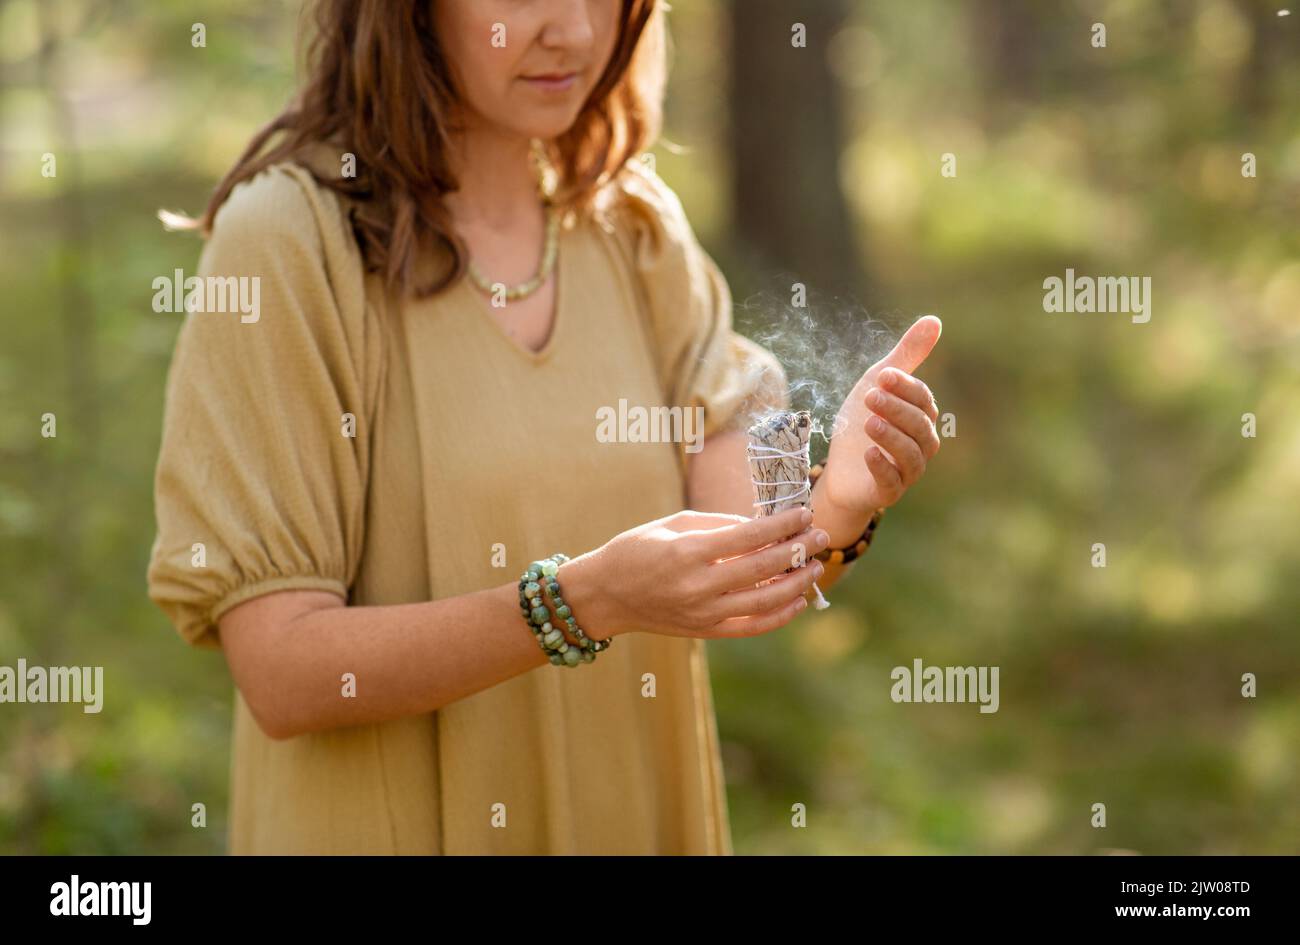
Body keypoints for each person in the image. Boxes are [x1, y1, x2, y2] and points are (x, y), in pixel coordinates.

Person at [146, 0, 942, 855]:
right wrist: (581, 602)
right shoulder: (288, 244)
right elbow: (283, 672)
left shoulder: (632, 226)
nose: (573, 29)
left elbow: (745, 551)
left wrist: (839, 505)